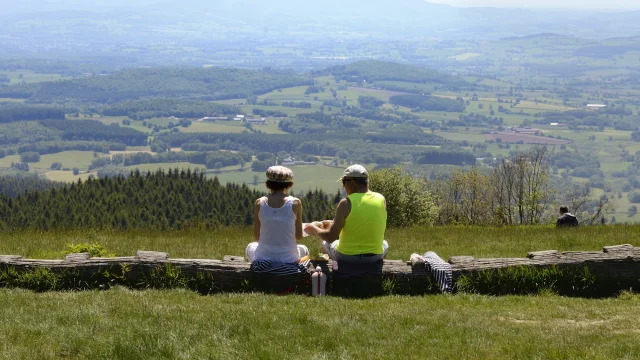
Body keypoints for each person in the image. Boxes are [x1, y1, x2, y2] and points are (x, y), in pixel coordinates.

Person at [304, 164, 388, 266]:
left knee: (326, 244)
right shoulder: (381, 199)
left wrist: (313, 228)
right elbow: (362, 222)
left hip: (347, 258)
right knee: (385, 244)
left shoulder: (346, 203)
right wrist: (333, 222)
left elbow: (330, 237)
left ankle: (331, 275)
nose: (343, 186)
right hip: (375, 257)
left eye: (344, 182)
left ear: (352, 183)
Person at [245, 166, 309, 274]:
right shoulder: (295, 203)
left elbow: (257, 236)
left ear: (267, 183)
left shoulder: (259, 203)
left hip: (264, 258)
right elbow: (298, 236)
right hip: (289, 259)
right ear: (289, 185)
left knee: (250, 247)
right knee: (304, 249)